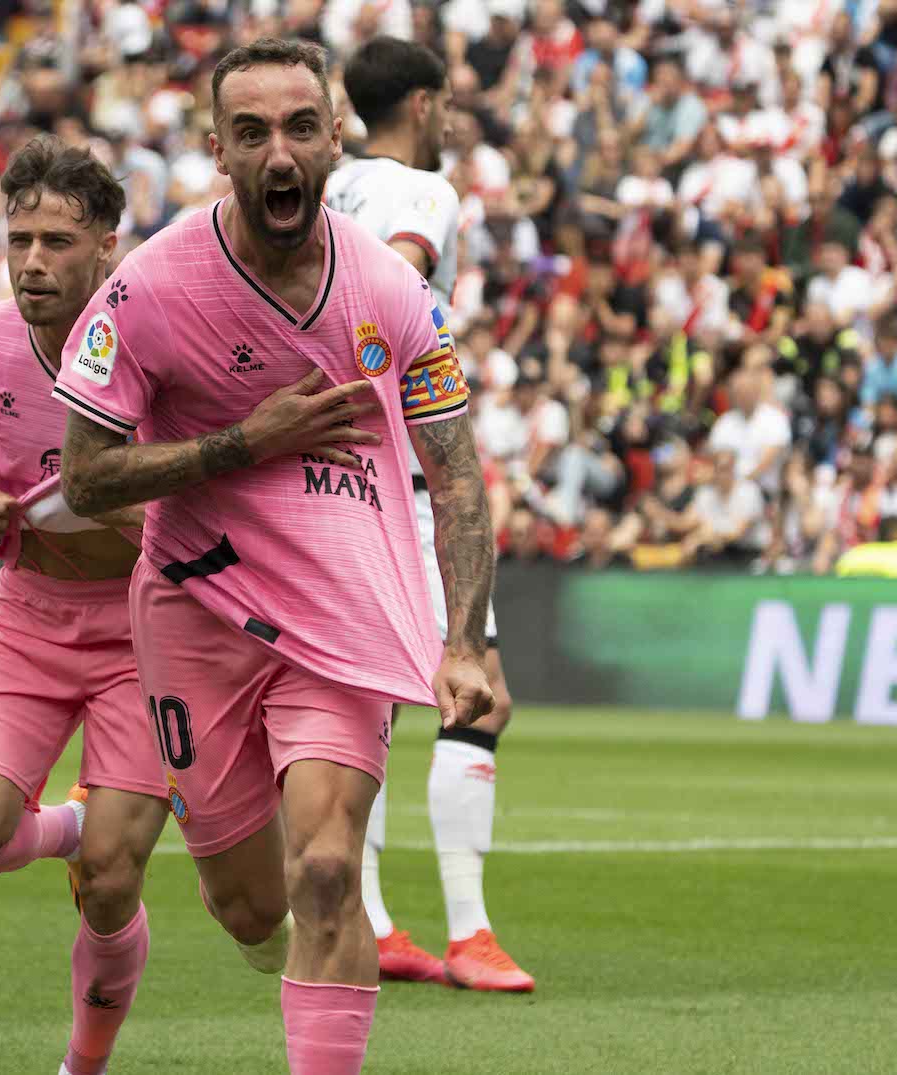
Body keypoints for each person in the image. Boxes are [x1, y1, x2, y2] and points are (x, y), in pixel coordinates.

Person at [55, 39, 496, 1074]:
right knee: (250, 905)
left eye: (301, 126)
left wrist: (466, 639)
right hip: (195, 610)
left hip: (342, 608)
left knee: (331, 868)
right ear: (216, 150)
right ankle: (277, 944)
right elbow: (84, 478)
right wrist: (245, 443)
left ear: (336, 140)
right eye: (250, 132)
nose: (278, 151)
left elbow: (459, 473)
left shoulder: (392, 292)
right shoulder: (151, 287)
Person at [0, 137, 179, 1075]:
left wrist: (123, 513)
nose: (33, 260)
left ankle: (82, 1065)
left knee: (111, 881)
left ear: (108, 246)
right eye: (19, 238)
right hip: (28, 618)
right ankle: (66, 823)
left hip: (147, 634)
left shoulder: (159, 341)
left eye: (58, 241)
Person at [326, 35, 532, 992]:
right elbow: (392, 282)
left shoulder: (330, 189)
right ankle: (469, 931)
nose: (450, 121)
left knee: (362, 704)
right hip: (408, 474)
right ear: (420, 103)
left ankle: (370, 922)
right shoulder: (421, 192)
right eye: (445, 105)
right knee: (478, 688)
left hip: (335, 480)